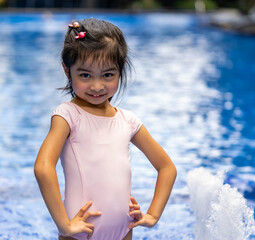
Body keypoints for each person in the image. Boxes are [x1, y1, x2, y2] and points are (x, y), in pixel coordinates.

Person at [34, 18, 177, 240]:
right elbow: (43, 168)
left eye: (108, 75)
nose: (97, 86)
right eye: (85, 75)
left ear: (120, 69)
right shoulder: (68, 116)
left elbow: (167, 168)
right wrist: (64, 226)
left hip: (124, 231)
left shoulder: (128, 121)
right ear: (67, 70)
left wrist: (153, 215)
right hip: (80, 233)